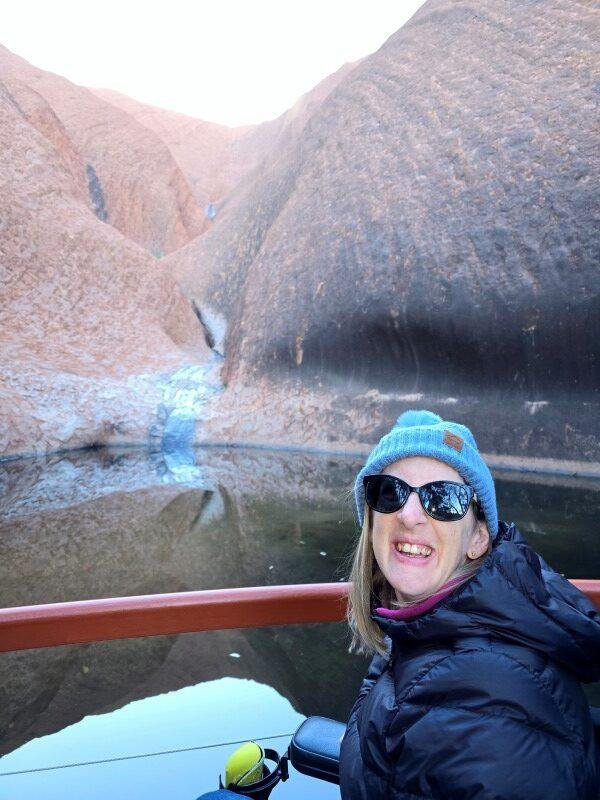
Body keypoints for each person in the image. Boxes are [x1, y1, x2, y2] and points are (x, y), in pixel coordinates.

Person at [340, 409, 600, 800]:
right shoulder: (420, 626)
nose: (410, 515)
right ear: (372, 518)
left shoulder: (487, 710)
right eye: (389, 491)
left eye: (443, 499)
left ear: (479, 539)